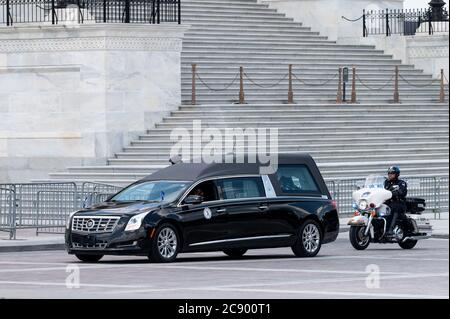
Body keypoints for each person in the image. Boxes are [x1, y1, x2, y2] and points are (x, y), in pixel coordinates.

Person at [384, 166, 408, 237]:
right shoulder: (386, 182)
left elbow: (403, 192)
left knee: (394, 208)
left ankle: (390, 230)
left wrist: (397, 192)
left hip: (399, 203)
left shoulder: (401, 183)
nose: (390, 175)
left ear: (397, 174)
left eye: (392, 173)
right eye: (389, 173)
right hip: (388, 202)